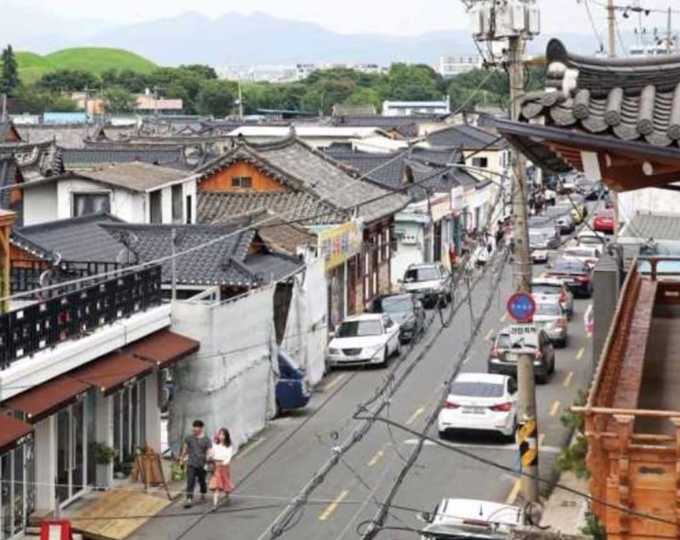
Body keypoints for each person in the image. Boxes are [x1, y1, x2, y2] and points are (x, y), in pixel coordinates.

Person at [181, 420, 212, 508]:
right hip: (191, 463)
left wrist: (209, 456)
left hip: (202, 464)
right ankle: (189, 499)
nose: (194, 429)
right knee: (190, 481)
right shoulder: (189, 438)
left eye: (196, 428)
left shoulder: (206, 439)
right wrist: (182, 459)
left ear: (201, 428)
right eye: (193, 427)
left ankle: (203, 493)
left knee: (201, 481)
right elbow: (185, 449)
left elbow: (209, 450)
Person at [209, 428, 235, 508]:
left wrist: (224, 463)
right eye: (220, 434)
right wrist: (210, 457)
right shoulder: (215, 445)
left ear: (226, 436)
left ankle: (227, 495)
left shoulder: (229, 447)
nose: (221, 436)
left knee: (225, 482)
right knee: (217, 485)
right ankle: (215, 504)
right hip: (216, 466)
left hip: (224, 466)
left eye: (223, 435)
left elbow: (228, 457)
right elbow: (212, 454)